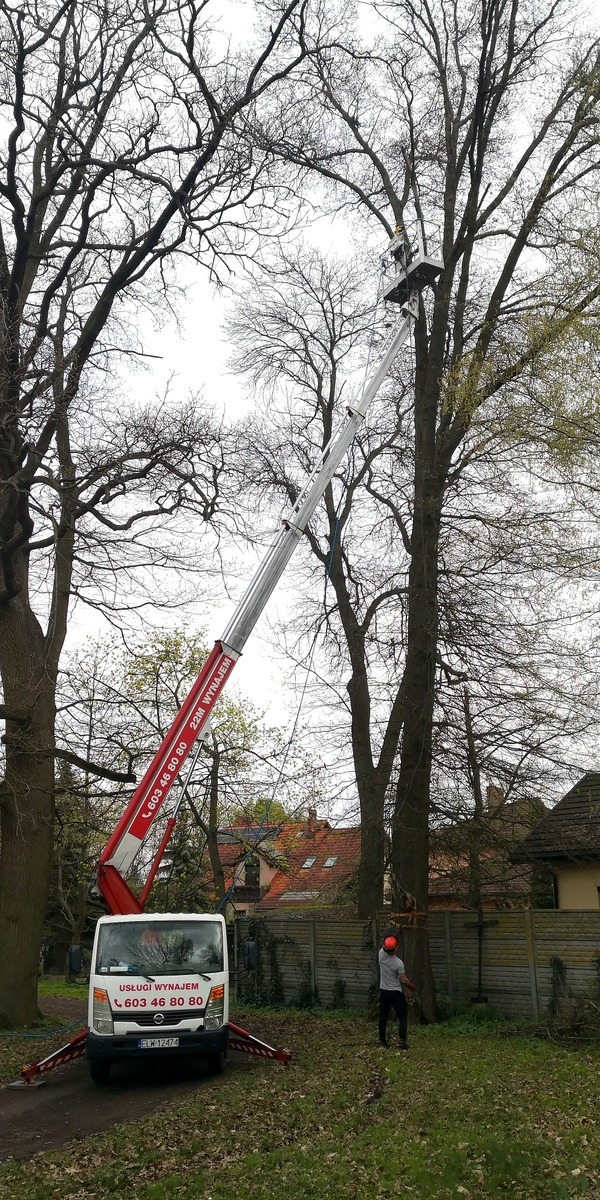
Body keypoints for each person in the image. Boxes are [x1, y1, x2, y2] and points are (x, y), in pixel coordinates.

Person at [378, 934, 415, 1050]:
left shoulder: (381, 955)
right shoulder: (398, 963)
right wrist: (410, 986)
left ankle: (383, 1042)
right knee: (402, 1016)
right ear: (396, 948)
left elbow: (384, 945)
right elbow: (403, 980)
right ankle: (402, 1041)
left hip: (384, 991)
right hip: (395, 993)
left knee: (383, 1017)